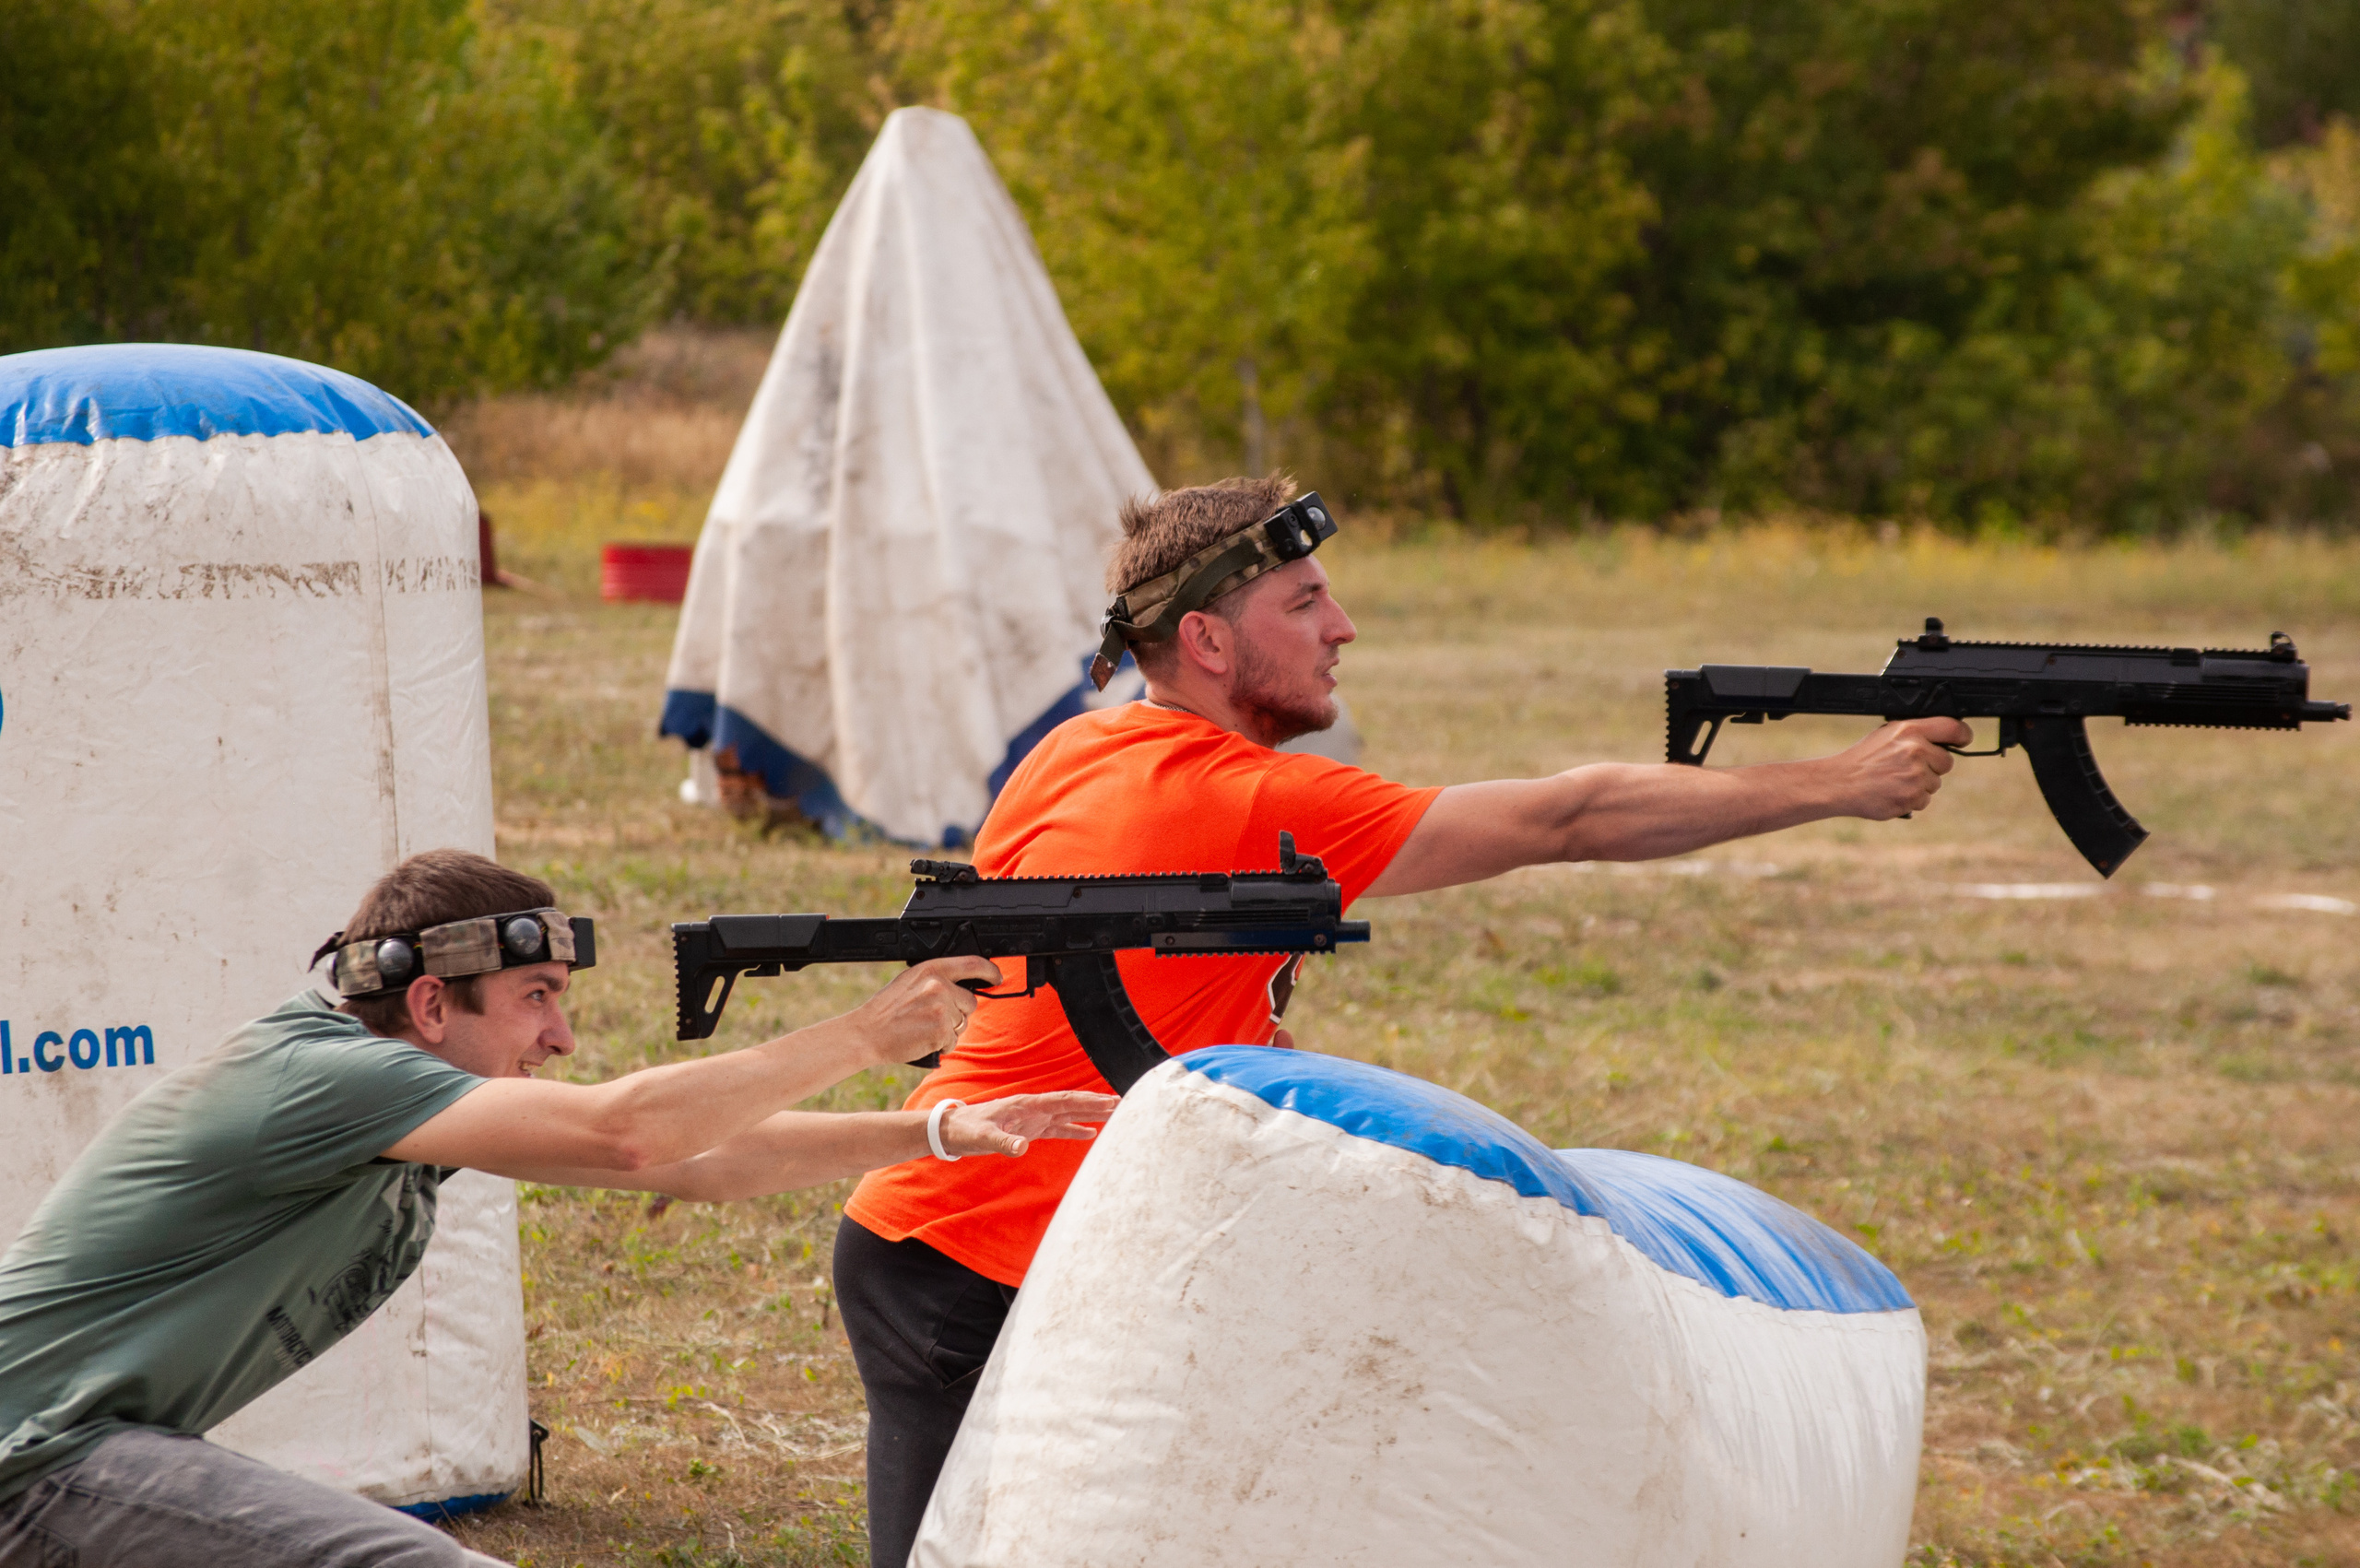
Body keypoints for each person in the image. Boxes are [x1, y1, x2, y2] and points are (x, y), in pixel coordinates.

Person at [833, 475, 1975, 1566]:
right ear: (1209, 644)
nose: (1343, 627)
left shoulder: (1077, 750)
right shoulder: (1237, 795)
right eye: (1304, 602)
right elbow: (1569, 817)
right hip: (975, 1258)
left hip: (999, 1235)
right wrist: (1838, 781)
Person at [0, 849, 1114, 1568]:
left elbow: (691, 1163)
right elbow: (623, 1130)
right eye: (538, 1000)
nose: (563, 1038)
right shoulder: (325, 1079)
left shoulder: (390, 1093)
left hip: (77, 1448)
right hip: (36, 1457)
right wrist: (865, 1037)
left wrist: (936, 1132)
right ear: (431, 1003)